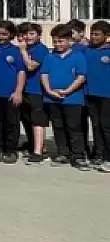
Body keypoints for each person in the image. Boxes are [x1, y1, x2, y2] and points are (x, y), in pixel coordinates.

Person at [41, 24, 89, 169]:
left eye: (61, 41)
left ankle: (78, 155)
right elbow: (44, 74)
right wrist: (49, 90)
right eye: (55, 41)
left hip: (72, 98)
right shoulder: (50, 57)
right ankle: (63, 152)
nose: (57, 44)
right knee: (58, 126)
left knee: (74, 126)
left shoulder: (78, 56)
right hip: (52, 98)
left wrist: (68, 91)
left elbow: (81, 76)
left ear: (70, 40)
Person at [0, 21, 25, 164]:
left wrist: (18, 91)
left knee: (11, 123)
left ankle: (10, 150)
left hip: (10, 93)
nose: (1, 36)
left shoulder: (15, 51)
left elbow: (21, 72)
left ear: (11, 35)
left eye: (4, 34)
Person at [17, 22, 49, 162]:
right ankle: (32, 144)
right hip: (24, 89)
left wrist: (23, 51)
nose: (28, 36)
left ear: (38, 35)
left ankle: (39, 151)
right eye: (25, 34)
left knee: (38, 120)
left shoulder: (40, 49)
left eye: (31, 34)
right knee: (26, 119)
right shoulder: (24, 48)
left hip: (36, 89)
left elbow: (31, 66)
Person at [84, 21, 110, 173]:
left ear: (106, 36)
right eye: (92, 33)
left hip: (107, 95)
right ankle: (98, 154)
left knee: (107, 127)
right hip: (91, 94)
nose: (93, 37)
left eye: (97, 34)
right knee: (96, 125)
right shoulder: (87, 50)